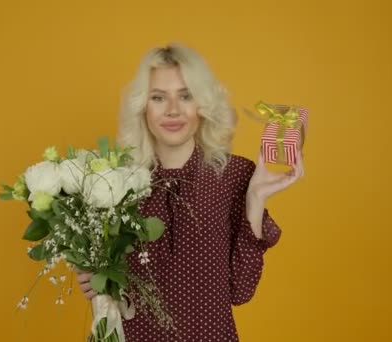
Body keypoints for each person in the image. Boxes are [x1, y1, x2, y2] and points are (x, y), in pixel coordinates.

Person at [76, 43, 304, 341]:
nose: (173, 110)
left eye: (186, 96)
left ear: (203, 105)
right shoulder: (114, 183)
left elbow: (241, 290)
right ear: (142, 106)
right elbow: (109, 286)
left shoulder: (234, 176)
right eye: (158, 97)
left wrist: (255, 200)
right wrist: (96, 277)